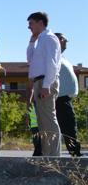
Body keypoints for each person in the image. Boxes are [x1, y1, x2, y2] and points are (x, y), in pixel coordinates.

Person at [26, 12, 61, 157]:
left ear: (41, 23)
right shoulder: (40, 40)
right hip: (39, 81)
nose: (29, 27)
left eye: (31, 23)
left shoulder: (49, 38)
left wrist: (46, 85)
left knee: (48, 118)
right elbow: (30, 60)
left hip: (46, 81)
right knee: (42, 121)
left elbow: (52, 64)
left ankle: (54, 155)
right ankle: (47, 155)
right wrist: (32, 42)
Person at [54, 33, 82, 157]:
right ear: (58, 40)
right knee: (69, 126)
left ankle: (74, 152)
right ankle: (75, 154)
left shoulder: (62, 57)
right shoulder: (53, 55)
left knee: (69, 126)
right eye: (64, 40)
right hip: (59, 98)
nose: (66, 42)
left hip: (66, 98)